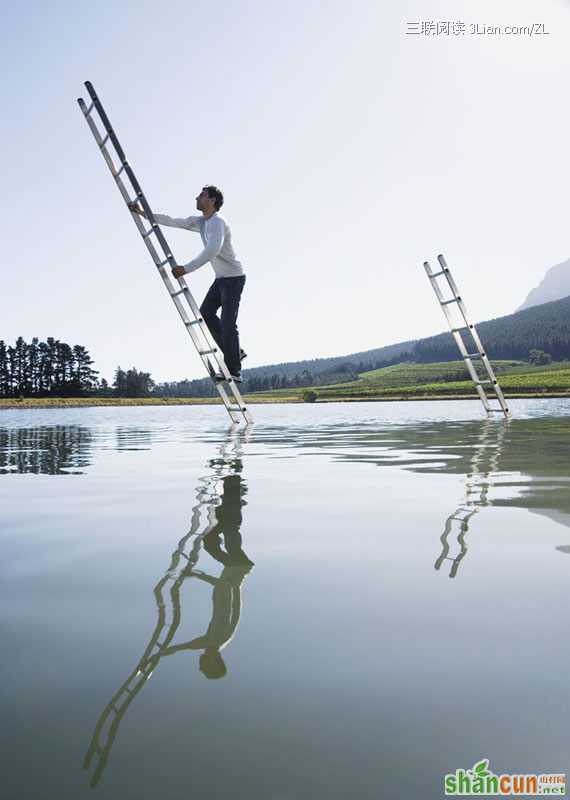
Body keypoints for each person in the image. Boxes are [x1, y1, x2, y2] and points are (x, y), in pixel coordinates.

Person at [129, 185, 246, 382]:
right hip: (221, 279)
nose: (197, 198)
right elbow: (172, 221)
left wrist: (187, 268)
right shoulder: (201, 222)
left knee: (227, 322)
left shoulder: (218, 222)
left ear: (212, 201)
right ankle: (235, 352)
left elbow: (213, 249)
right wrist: (142, 213)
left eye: (202, 195)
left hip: (234, 278)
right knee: (206, 314)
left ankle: (234, 370)